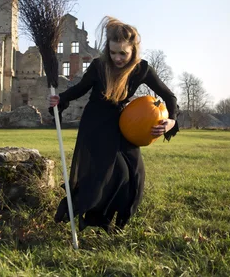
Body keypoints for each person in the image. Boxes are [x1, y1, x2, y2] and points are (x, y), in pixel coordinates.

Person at [48, 16, 179, 232]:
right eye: (113, 52)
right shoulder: (99, 66)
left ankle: (114, 223)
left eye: (123, 53)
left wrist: (170, 121)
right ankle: (91, 217)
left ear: (133, 50)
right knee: (113, 172)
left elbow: (169, 96)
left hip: (123, 123)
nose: (117, 58)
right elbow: (80, 88)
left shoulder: (142, 69)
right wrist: (61, 99)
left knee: (135, 173)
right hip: (96, 123)